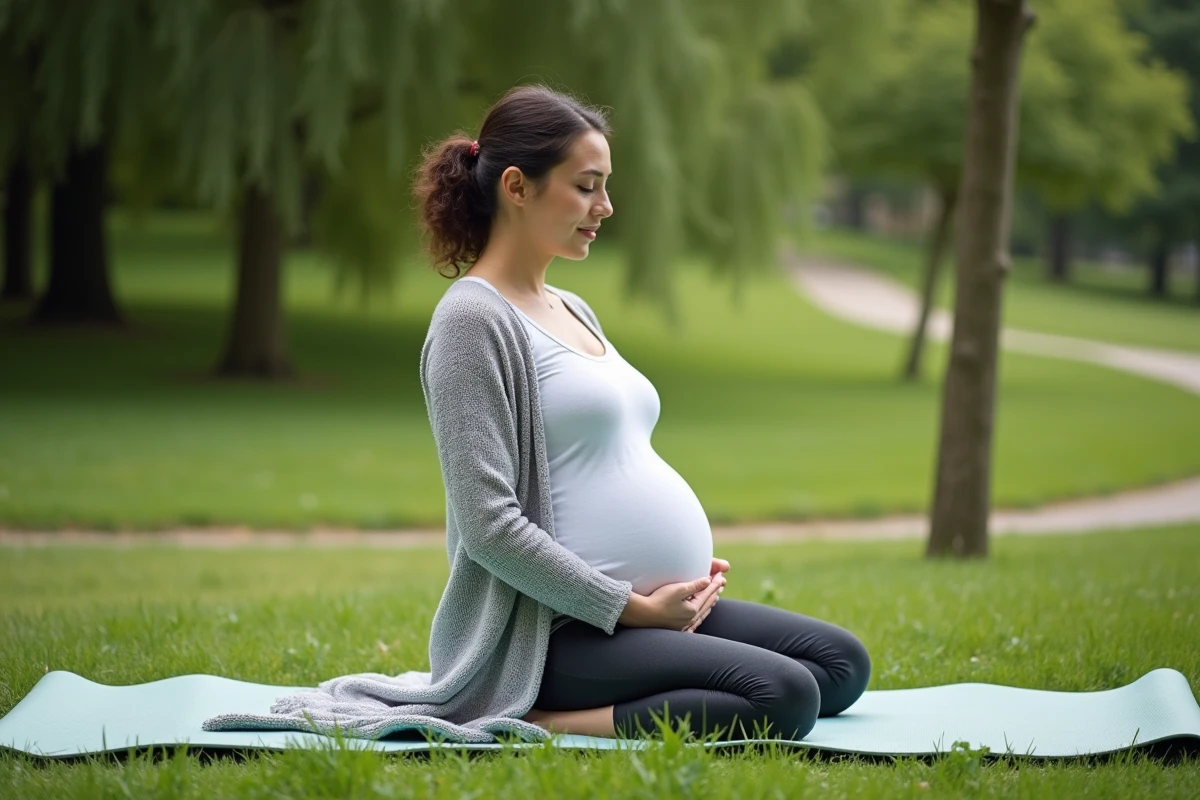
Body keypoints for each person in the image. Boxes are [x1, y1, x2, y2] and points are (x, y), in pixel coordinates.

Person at [411, 84, 871, 743]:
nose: (605, 207)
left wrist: (672, 576)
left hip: (646, 612)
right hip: (555, 633)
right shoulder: (471, 321)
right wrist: (632, 607)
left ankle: (655, 676)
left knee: (840, 665)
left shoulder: (572, 307)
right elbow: (489, 528)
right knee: (785, 695)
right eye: (586, 187)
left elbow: (605, 460)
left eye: (605, 187)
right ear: (517, 186)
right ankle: (543, 720)